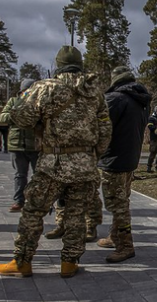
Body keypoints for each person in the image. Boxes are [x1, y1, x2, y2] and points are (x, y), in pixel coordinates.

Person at [0, 45, 111, 278]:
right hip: (85, 163)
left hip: (53, 163)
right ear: (80, 65)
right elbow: (105, 130)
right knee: (76, 215)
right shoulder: (95, 93)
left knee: (33, 211)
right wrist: (92, 156)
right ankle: (69, 263)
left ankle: (22, 261)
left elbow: (23, 117)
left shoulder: (45, 87)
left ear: (58, 65)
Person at [95, 66, 151, 262]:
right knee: (122, 200)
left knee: (118, 204)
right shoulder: (142, 101)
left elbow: (99, 128)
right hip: (130, 159)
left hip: (113, 160)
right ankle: (114, 236)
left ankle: (125, 245)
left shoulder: (115, 100)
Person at [0, 79, 40, 213]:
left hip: (35, 145)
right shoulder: (13, 102)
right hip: (17, 145)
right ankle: (19, 200)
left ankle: (36, 201)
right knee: (19, 175)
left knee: (38, 175)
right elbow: (3, 118)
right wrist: (16, 114)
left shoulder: (39, 103)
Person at [146, 107, 157, 173]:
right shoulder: (151, 118)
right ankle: (149, 166)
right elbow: (150, 127)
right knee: (153, 152)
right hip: (154, 138)